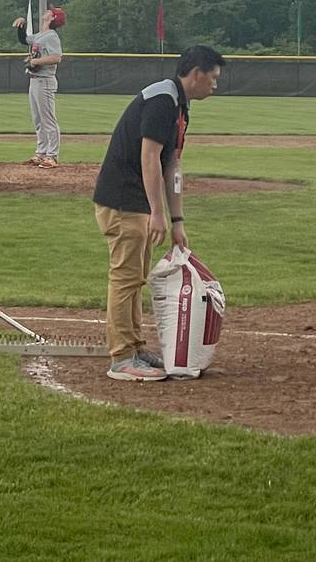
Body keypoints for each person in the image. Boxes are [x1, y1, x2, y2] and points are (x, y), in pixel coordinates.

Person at [91, 44, 225, 382]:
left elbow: (172, 165)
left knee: (135, 277)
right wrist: (157, 212)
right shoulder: (163, 100)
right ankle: (122, 359)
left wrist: (177, 220)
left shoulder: (180, 107)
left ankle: (134, 348)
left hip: (134, 202)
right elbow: (148, 157)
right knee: (125, 278)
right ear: (196, 74)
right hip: (122, 200)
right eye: (213, 77)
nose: (215, 84)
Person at [14, 7, 64, 168]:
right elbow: (25, 40)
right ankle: (41, 153)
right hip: (34, 80)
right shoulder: (41, 35)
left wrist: (36, 62)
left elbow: (57, 57)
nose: (46, 11)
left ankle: (52, 156)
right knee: (38, 120)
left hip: (45, 80)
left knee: (48, 119)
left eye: (50, 11)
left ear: (52, 18)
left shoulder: (52, 36)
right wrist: (21, 27)